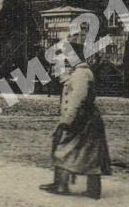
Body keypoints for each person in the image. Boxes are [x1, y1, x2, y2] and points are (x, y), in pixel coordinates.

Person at [40, 41, 112, 199]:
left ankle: (61, 185)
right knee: (88, 153)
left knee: (64, 149)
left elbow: (76, 100)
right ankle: (91, 189)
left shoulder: (80, 74)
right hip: (86, 118)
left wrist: (67, 121)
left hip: (83, 119)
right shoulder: (79, 73)